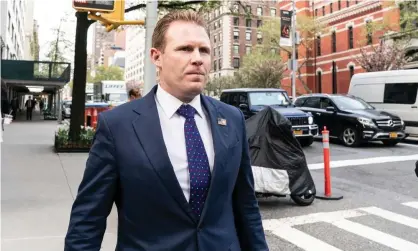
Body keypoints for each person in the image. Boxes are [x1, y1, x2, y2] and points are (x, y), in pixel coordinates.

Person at [64, 10, 269, 251]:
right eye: (185, 49)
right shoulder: (117, 126)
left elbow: (246, 205)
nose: (197, 59)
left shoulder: (232, 119)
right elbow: (88, 219)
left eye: (204, 50)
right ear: (156, 56)